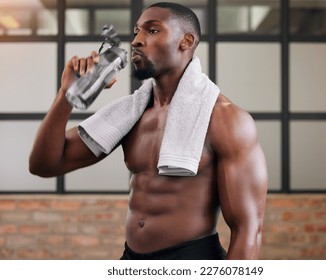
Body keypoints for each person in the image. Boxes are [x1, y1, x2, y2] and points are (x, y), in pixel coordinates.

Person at [29, 2, 268, 260]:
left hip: (193, 259)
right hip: (132, 259)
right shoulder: (130, 114)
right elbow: (45, 165)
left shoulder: (225, 118)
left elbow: (248, 229)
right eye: (136, 32)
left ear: (186, 41)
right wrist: (66, 96)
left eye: (152, 31)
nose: (136, 41)